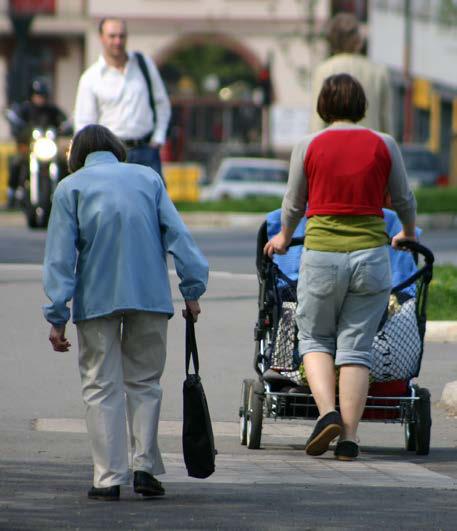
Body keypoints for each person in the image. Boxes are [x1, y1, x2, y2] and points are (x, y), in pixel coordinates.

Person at [42, 124, 208, 500]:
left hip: (97, 299)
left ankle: (108, 477)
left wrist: (57, 316)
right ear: (118, 150)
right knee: (145, 382)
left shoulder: (71, 188)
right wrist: (192, 289)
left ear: (76, 156)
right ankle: (145, 467)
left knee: (100, 385)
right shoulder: (148, 179)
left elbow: (60, 258)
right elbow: (178, 235)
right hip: (149, 295)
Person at [264, 74, 417, 461]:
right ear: (361, 106)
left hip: (322, 256)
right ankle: (348, 438)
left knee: (313, 338)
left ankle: (327, 413)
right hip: (371, 256)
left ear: (323, 106)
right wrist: (408, 233)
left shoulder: (308, 145)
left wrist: (283, 237)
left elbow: (293, 203)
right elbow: (403, 199)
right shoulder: (384, 144)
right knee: (356, 348)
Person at [73, 17, 171, 179]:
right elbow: (84, 124)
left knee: (154, 202)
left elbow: (162, 103)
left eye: (122, 36)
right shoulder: (91, 78)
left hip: (145, 151)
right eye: (112, 36)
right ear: (102, 38)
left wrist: (158, 138)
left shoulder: (143, 64)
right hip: (110, 155)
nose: (117, 41)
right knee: (113, 203)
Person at [310, 12, 393, 134]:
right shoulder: (379, 72)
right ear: (358, 40)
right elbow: (386, 120)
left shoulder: (323, 70)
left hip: (333, 148)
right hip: (370, 147)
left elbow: (317, 122)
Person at [6, 79, 68, 208]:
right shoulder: (25, 109)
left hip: (48, 148)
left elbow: (64, 121)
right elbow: (16, 121)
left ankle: (66, 194)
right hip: (30, 148)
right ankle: (12, 193)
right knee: (17, 162)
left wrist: (66, 127)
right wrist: (19, 129)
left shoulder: (52, 110)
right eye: (37, 95)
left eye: (42, 96)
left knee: (65, 163)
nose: (40, 99)